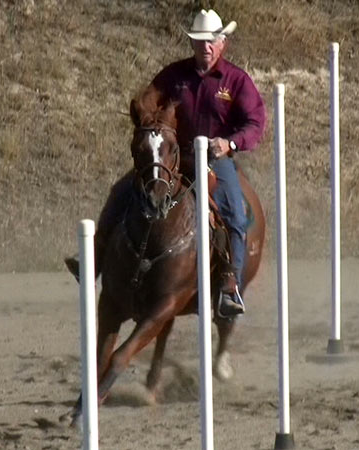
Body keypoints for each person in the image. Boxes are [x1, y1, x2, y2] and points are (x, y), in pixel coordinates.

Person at [65, 9, 266, 318]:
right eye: (200, 42)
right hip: (172, 157)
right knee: (121, 191)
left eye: (211, 42)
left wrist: (230, 143)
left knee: (235, 213)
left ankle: (229, 285)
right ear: (192, 44)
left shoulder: (236, 81)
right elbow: (149, 98)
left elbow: (255, 122)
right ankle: (95, 257)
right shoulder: (174, 75)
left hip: (215, 159)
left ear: (222, 42)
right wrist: (147, 118)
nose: (206, 48)